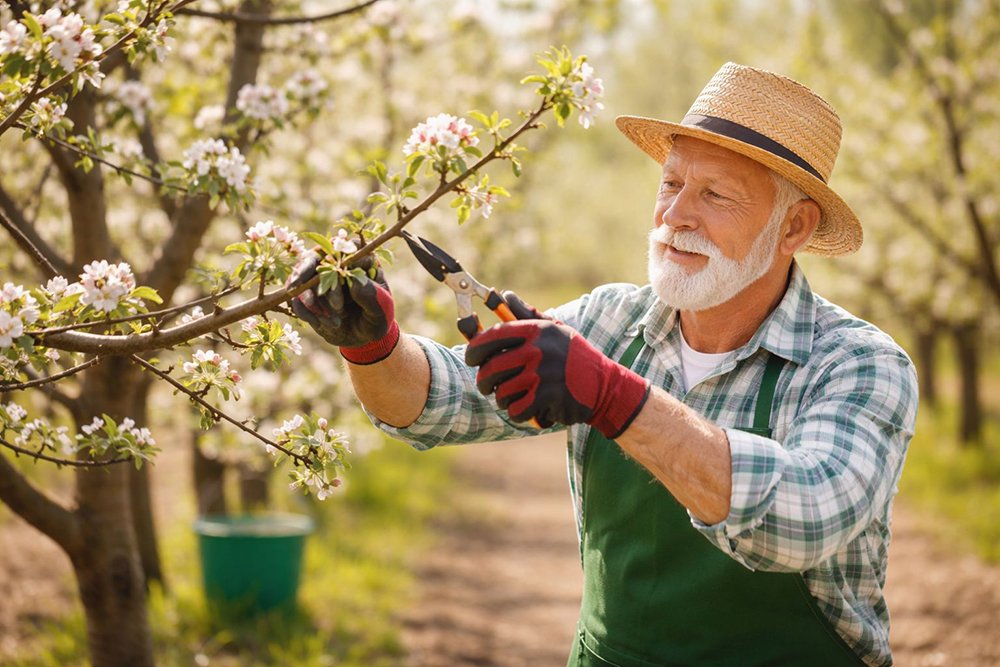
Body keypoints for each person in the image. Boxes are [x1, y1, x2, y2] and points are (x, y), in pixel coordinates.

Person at [292, 62, 918, 667]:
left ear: (794, 227)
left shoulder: (858, 364)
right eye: (671, 184)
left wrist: (616, 397)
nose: (675, 215)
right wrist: (373, 347)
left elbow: (803, 520)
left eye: (716, 194)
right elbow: (440, 405)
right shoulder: (612, 320)